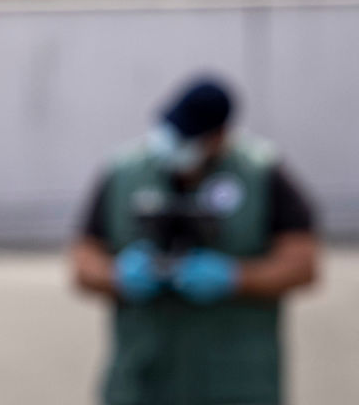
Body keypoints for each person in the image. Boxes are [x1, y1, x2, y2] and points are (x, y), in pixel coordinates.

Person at [70, 76, 319, 405]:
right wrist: (118, 275)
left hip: (237, 381)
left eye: (189, 137)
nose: (175, 145)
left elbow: (302, 264)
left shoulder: (261, 173)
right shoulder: (125, 173)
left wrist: (233, 277)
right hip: (143, 378)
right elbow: (84, 261)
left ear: (220, 136)